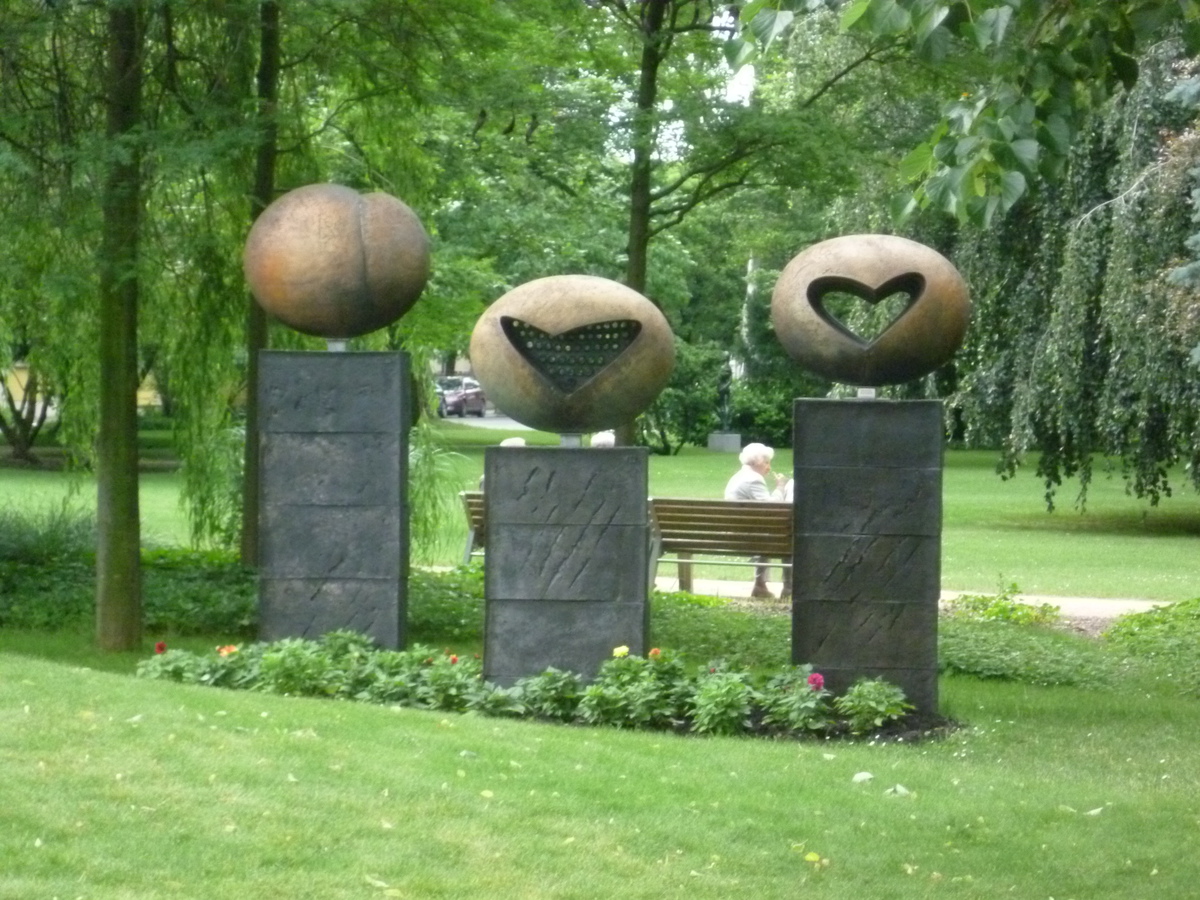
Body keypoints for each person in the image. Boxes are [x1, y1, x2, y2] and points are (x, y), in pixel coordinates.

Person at [724, 443, 790, 599]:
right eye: (766, 462)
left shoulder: (739, 476)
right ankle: (789, 587)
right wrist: (781, 487)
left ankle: (760, 586)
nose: (769, 467)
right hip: (746, 536)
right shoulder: (754, 479)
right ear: (756, 462)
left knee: (769, 534)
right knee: (788, 538)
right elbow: (771, 508)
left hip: (737, 532)